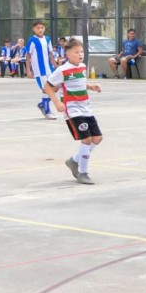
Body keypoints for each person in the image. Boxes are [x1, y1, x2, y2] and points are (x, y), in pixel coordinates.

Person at [43, 38, 102, 185]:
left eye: (81, 51)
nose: (80, 54)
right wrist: (56, 102)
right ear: (67, 54)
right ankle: (83, 173)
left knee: (97, 138)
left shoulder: (82, 67)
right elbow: (47, 86)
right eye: (76, 52)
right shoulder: (62, 70)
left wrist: (91, 86)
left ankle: (74, 160)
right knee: (86, 139)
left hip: (86, 108)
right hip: (72, 110)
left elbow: (79, 82)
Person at [26, 20, 59, 119]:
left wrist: (56, 66)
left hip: (49, 69)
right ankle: (46, 110)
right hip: (39, 70)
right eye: (38, 28)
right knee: (46, 90)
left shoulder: (47, 39)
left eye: (42, 27)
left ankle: (42, 104)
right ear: (34, 29)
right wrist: (28, 70)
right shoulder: (32, 40)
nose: (40, 29)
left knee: (55, 88)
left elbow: (50, 54)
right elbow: (28, 56)